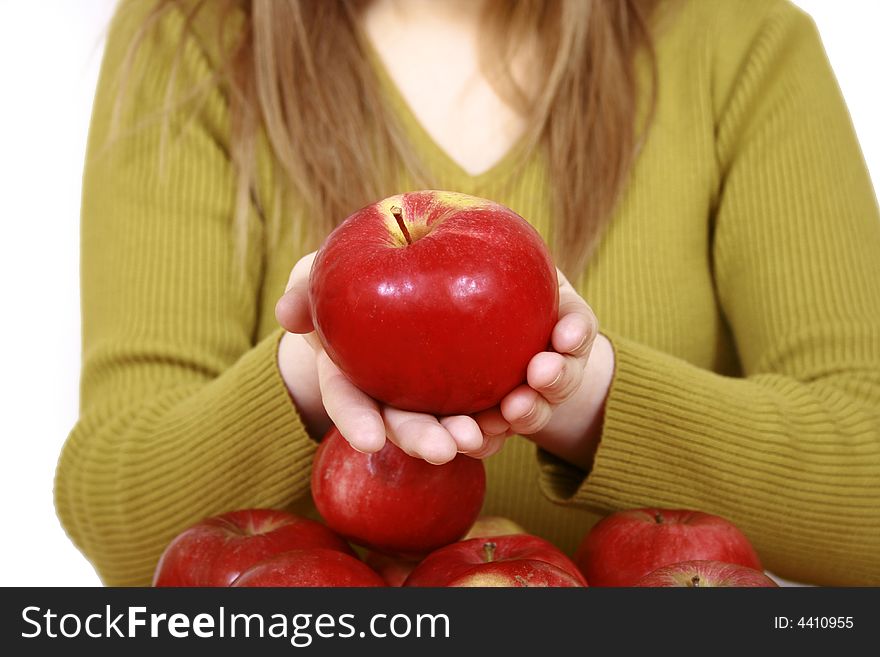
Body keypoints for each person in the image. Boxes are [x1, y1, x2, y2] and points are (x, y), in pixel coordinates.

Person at [55, 0, 880, 587]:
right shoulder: (193, 42)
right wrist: (314, 372)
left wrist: (578, 390)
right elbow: (117, 521)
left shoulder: (743, 42)